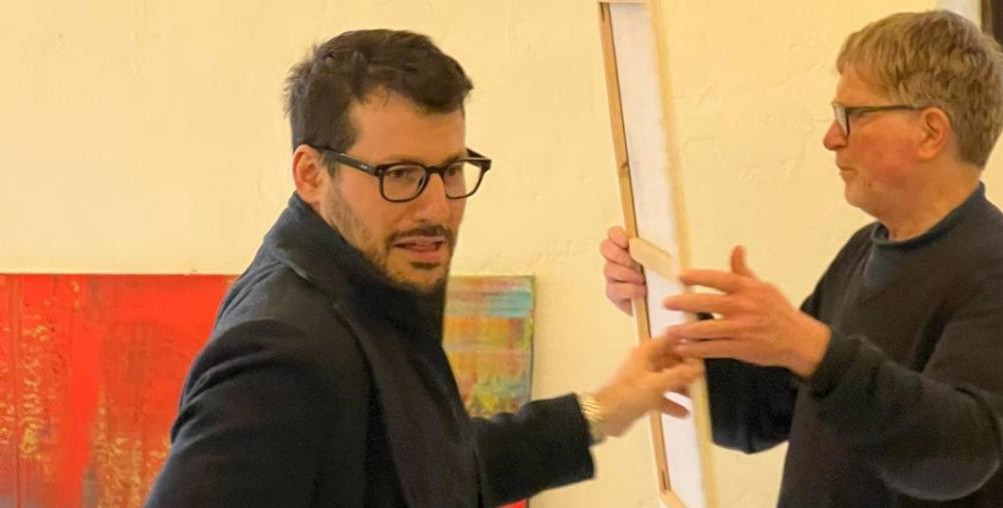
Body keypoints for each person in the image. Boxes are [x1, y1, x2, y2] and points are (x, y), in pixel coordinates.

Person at [146, 29, 702, 507]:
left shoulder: (368, 282)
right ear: (311, 174)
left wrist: (602, 410)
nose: (437, 208)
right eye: (400, 175)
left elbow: (424, 470)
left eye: (451, 170)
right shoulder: (284, 350)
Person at [600, 10, 1003, 507]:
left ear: (931, 132)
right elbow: (760, 413)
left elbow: (956, 457)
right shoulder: (864, 251)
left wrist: (811, 348)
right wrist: (668, 312)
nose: (832, 137)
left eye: (853, 115)